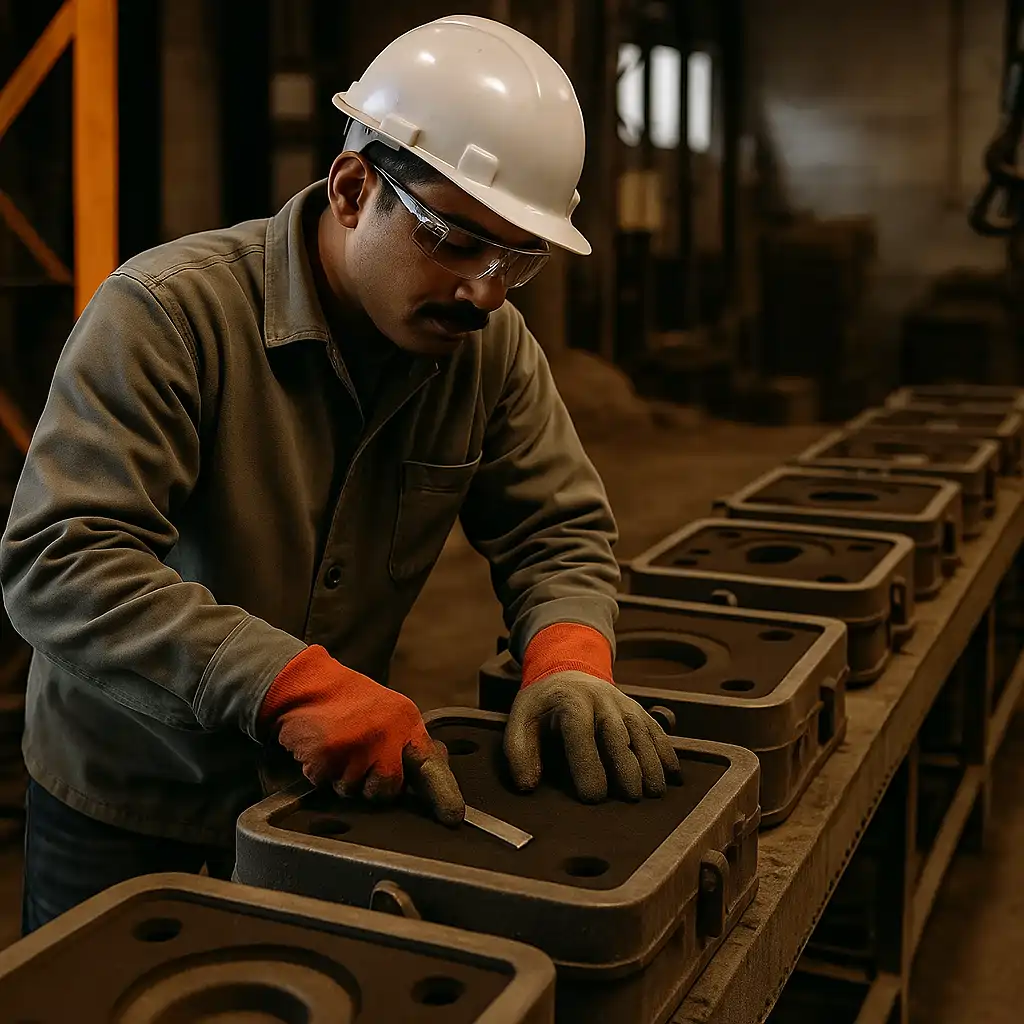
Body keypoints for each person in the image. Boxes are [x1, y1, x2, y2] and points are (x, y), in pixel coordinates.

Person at [0, 14, 678, 935]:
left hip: (322, 796)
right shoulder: (168, 316)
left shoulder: (487, 349)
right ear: (354, 189)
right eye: (455, 242)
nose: (484, 292)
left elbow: (553, 529)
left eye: (519, 259)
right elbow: (63, 560)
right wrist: (291, 684)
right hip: (133, 796)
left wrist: (569, 659)